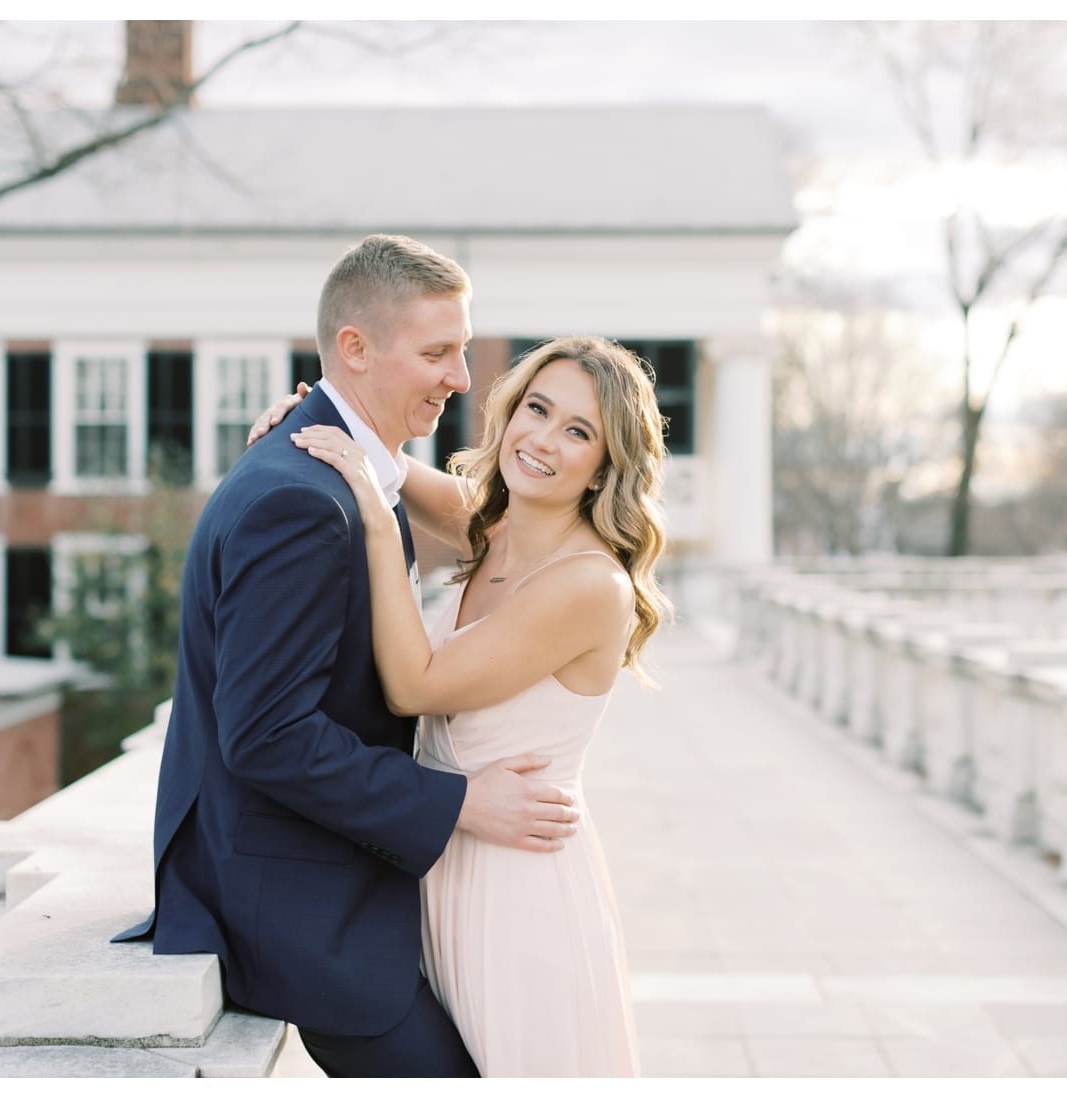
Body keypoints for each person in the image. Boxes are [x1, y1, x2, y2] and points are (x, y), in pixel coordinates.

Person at [113, 234, 581, 1079]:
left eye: (464, 352)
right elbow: (264, 736)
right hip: (292, 902)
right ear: (355, 349)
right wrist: (459, 804)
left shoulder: (346, 471)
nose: (462, 379)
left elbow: (474, 517)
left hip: (346, 873)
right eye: (438, 352)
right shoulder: (302, 499)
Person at [264, 334, 671, 1076]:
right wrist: (314, 423)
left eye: (578, 431)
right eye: (537, 409)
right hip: (451, 862)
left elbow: (414, 685)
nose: (543, 439)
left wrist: (379, 520)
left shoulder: (588, 584)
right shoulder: (503, 530)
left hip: (521, 891)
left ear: (607, 464)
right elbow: (407, 474)